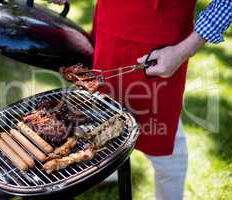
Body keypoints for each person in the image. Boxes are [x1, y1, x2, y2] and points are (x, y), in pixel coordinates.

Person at [50, 0, 232, 199]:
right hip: (109, 32)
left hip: (161, 49)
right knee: (101, 120)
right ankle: (107, 171)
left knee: (167, 152)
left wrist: (184, 50)